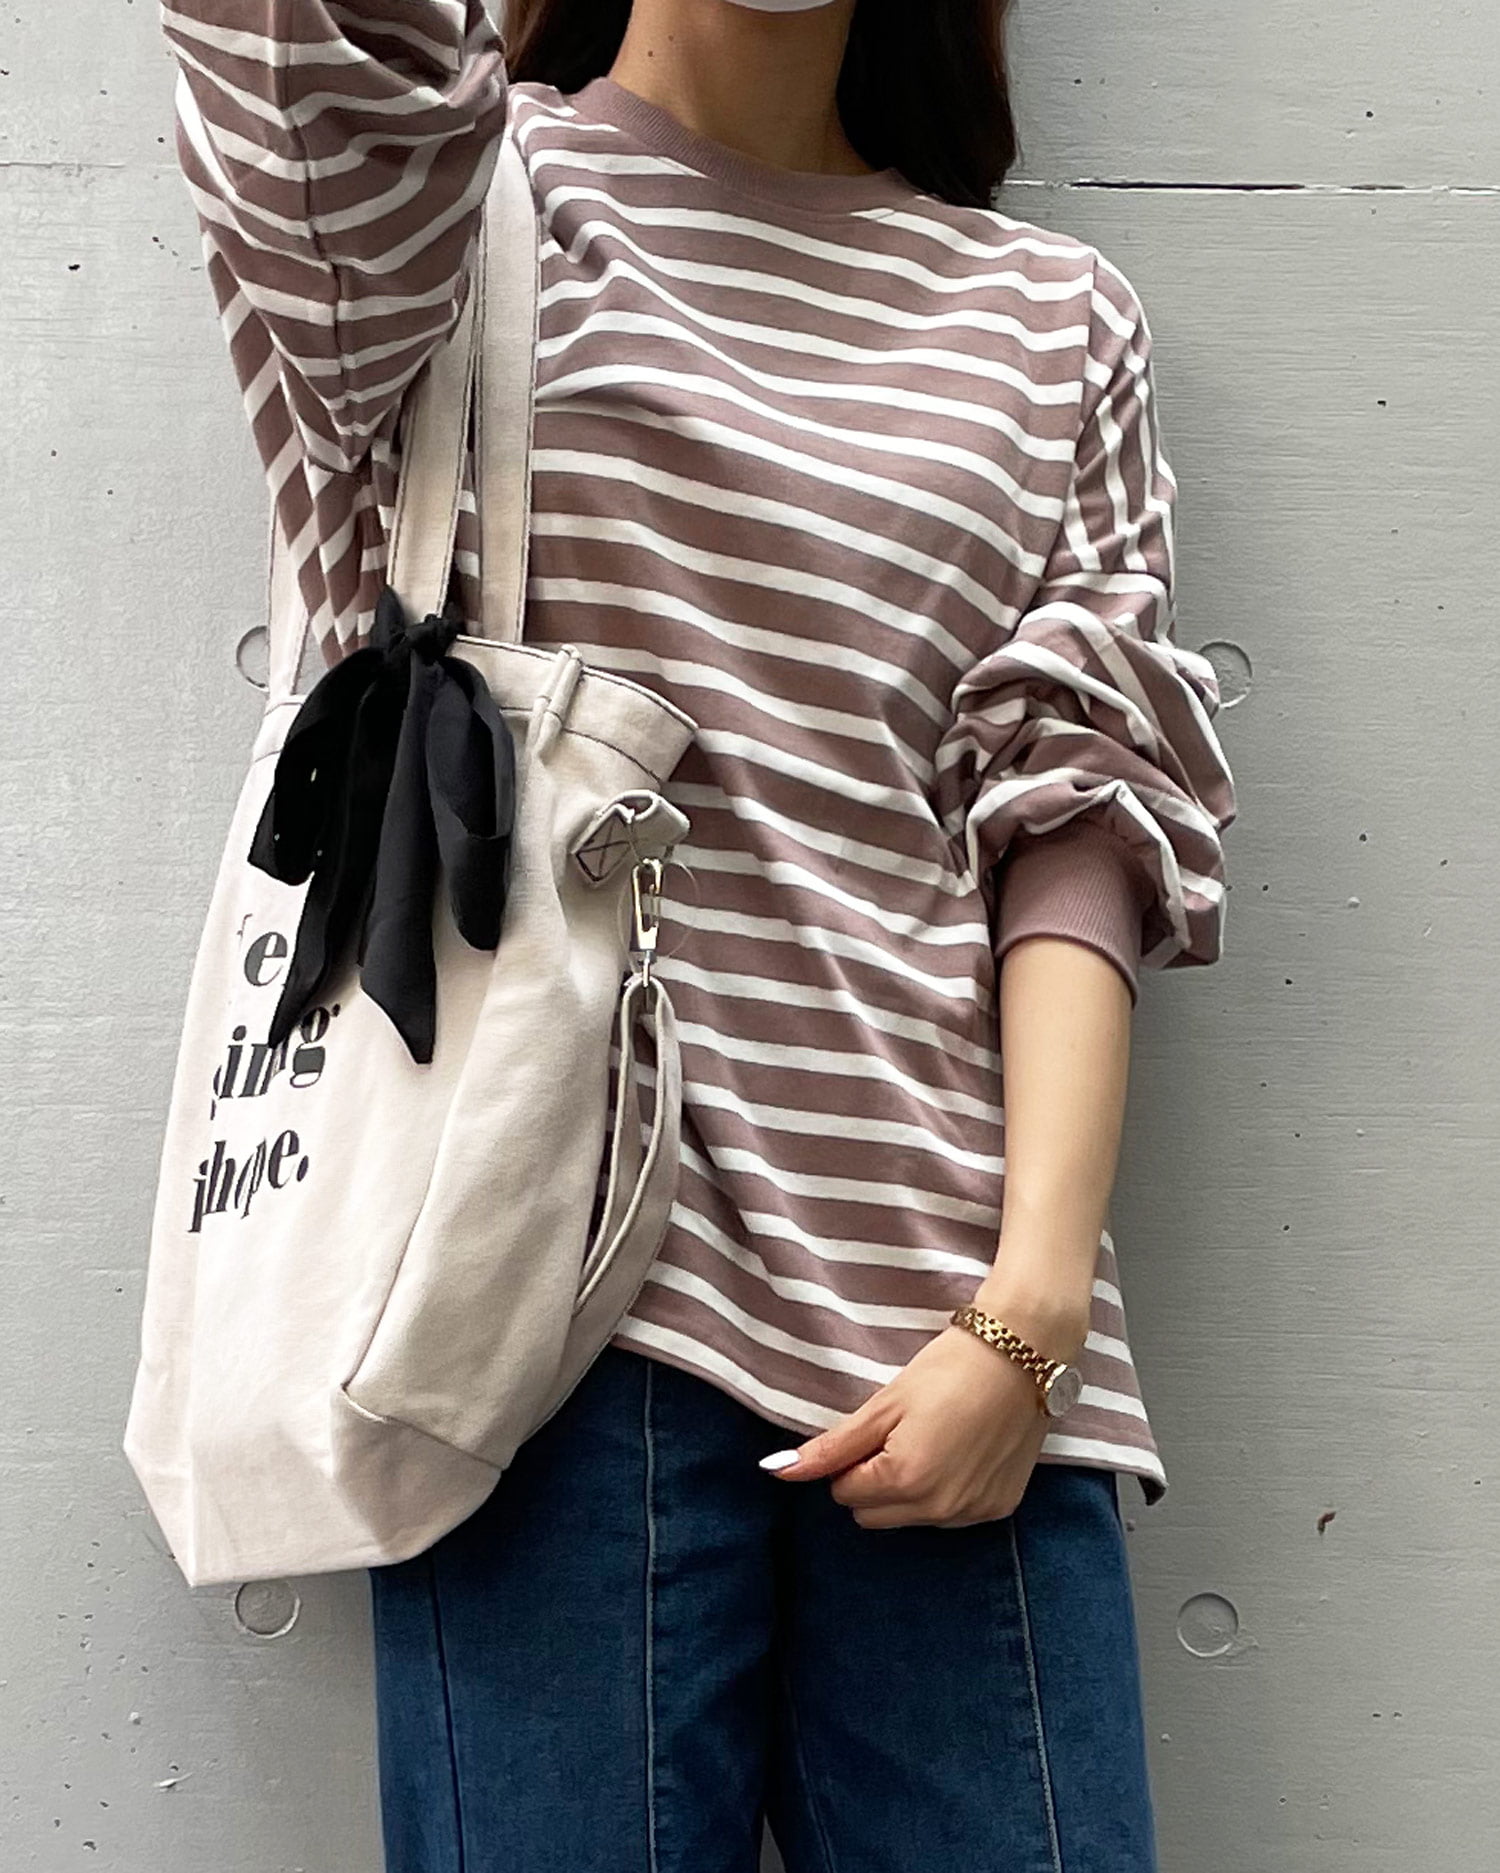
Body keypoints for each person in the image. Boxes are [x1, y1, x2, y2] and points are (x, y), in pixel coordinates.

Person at [161, 0, 1237, 1866]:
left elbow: (1081, 812)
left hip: (964, 1359)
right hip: (532, 1335)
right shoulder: (447, 204)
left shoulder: (1052, 318)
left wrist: (1035, 1309)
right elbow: (291, 53)